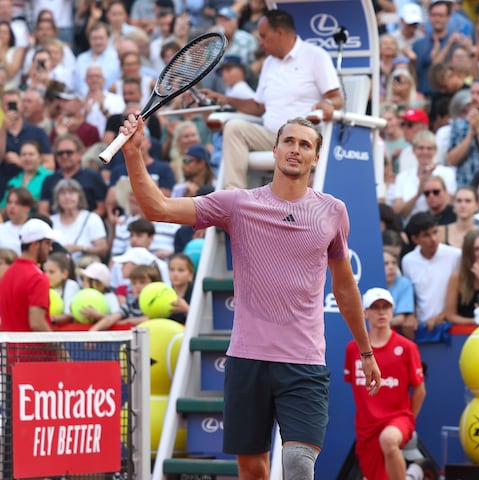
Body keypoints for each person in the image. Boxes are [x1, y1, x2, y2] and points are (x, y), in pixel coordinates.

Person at [119, 113, 381, 478]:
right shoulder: (237, 204)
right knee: (252, 469)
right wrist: (133, 154)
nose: (295, 149)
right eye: (289, 141)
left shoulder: (333, 212)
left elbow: (344, 287)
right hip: (247, 360)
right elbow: (157, 209)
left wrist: (367, 351)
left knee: (298, 462)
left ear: (316, 158)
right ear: (274, 150)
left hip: (304, 362)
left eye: (305, 144)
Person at [203, 9, 344, 190]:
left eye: (263, 36)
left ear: (279, 33)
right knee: (233, 127)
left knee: (291, 134)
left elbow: (337, 98)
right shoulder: (269, 62)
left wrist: (328, 104)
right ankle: (234, 196)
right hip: (272, 136)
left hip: (302, 139)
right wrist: (225, 99)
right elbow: (258, 106)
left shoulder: (315, 56)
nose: (260, 43)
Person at [344, 287, 426, 480]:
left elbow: (420, 390)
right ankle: (414, 474)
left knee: (389, 440)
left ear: (393, 310)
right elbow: (356, 387)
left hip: (398, 420)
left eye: (386, 307)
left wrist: (408, 420)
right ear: (365, 312)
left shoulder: (407, 348)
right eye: (375, 307)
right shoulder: (352, 349)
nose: (381, 312)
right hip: (366, 427)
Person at [0, 218, 57, 333]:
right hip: (33, 350)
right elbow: (37, 323)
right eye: (47, 243)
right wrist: (60, 350)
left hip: (9, 349)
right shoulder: (38, 277)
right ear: (35, 244)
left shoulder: (7, 274)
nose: (50, 249)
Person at [444, 230, 479, 325]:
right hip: (466, 333)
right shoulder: (457, 278)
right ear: (468, 253)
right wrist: (475, 321)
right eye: (477, 249)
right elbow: (450, 315)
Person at [43, 251, 81, 326]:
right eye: (45, 271)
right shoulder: (44, 286)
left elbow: (69, 315)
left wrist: (48, 320)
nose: (46, 275)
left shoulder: (71, 285)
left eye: (51, 272)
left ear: (64, 274)